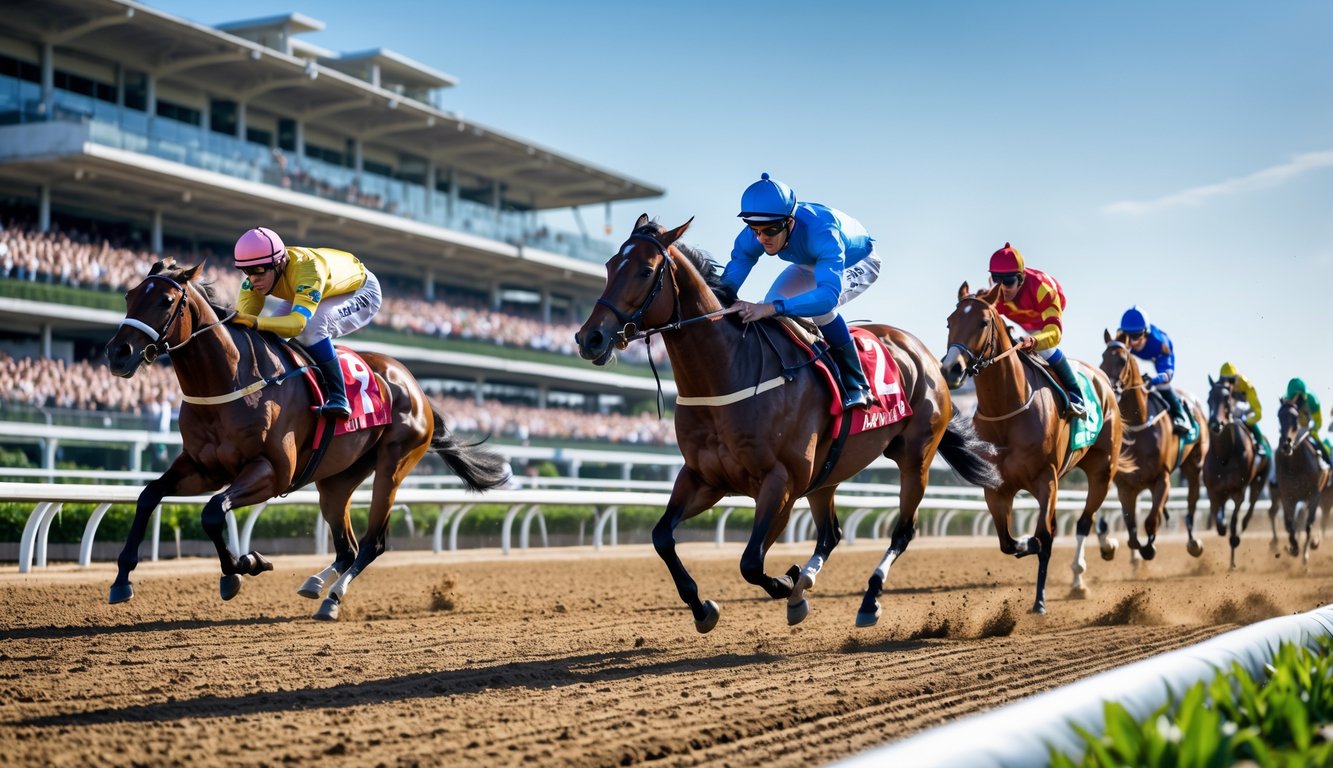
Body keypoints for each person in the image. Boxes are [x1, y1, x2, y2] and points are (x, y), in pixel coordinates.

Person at [720, 173, 881, 409]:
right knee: (772, 304)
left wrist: (769, 308)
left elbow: (827, 297)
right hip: (811, 261)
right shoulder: (760, 230)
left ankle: (857, 383)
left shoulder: (822, 231)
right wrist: (718, 303)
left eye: (770, 230)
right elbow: (730, 279)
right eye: (754, 229)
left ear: (790, 222)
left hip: (855, 261)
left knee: (819, 311)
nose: (762, 238)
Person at [230, 227, 382, 418]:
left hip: (361, 290)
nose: (253, 279)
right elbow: (242, 328)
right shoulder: (254, 281)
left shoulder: (308, 269)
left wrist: (255, 322)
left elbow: (298, 324)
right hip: (314, 289)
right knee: (267, 333)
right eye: (247, 271)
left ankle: (338, 395)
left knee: (311, 327)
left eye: (259, 271)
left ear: (279, 263)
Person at [986, 243, 1085, 419]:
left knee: (1044, 348)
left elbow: (1055, 333)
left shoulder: (1042, 288)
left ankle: (1076, 397)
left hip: (1044, 320)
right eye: (996, 279)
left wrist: (1034, 341)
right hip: (1018, 322)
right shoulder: (996, 291)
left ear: (1021, 279)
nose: (1002, 288)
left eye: (1008, 282)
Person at [1119, 306, 1189, 436]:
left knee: (1163, 384)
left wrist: (1155, 380)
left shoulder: (1160, 344)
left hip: (1160, 357)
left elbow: (1168, 374)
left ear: (1146, 332)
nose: (1132, 342)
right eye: (1127, 336)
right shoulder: (1124, 339)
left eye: (1136, 336)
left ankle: (1180, 415)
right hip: (1139, 358)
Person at [1217, 361, 1266, 449]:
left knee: (1238, 408)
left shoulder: (1245, 383)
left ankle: (1260, 444)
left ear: (1236, 378)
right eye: (1224, 380)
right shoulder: (1219, 386)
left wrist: (1248, 421)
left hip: (1246, 410)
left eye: (1231, 380)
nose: (1227, 384)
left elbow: (1258, 410)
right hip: (1228, 411)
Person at [1284, 377, 1331, 466]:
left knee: (1316, 441)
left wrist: (1312, 430)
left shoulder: (1312, 400)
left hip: (1308, 427)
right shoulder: (1287, 397)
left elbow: (1318, 421)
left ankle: (1328, 463)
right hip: (1295, 427)